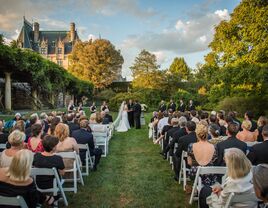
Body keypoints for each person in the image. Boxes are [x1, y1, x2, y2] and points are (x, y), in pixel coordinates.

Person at [187, 123, 218, 191]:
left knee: (193, 170)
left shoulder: (191, 146)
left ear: (197, 134)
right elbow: (214, 161)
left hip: (195, 173)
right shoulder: (214, 146)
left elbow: (189, 163)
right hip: (210, 174)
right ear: (207, 134)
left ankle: (197, 189)